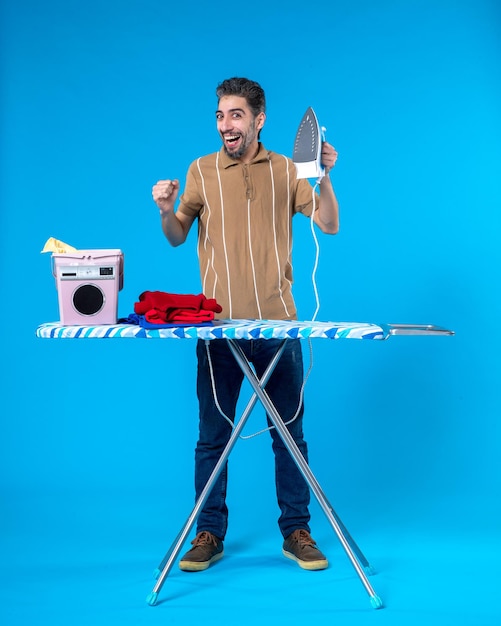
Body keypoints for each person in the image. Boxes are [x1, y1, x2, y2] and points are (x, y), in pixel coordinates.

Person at [152, 77, 339, 573]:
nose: (225, 124)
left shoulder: (285, 169)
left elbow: (328, 223)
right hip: (218, 330)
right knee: (213, 436)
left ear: (259, 119)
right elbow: (175, 237)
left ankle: (296, 530)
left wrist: (323, 174)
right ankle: (208, 533)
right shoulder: (200, 170)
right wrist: (167, 210)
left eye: (235, 115)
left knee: (289, 435)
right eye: (219, 115)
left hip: (279, 327)